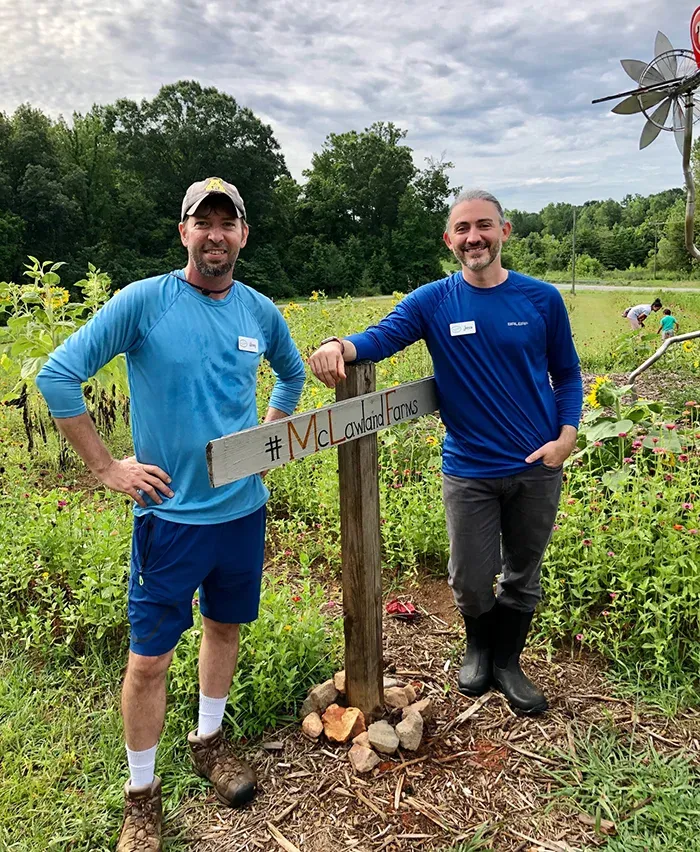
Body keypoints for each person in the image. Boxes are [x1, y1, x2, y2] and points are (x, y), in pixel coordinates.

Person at [36, 177, 305, 852]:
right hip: (170, 518)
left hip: (242, 514)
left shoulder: (258, 312)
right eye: (201, 221)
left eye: (228, 222)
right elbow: (57, 376)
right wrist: (106, 468)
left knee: (223, 629)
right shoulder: (145, 303)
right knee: (149, 662)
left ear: (244, 234)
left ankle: (209, 742)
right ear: (183, 231)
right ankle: (141, 795)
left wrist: (266, 441)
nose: (215, 234)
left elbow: (292, 375)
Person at [309, 189, 582, 716]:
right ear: (449, 239)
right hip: (470, 470)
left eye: (484, 226)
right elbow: (381, 337)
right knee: (470, 576)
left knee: (524, 570)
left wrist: (566, 436)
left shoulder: (541, 299)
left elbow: (567, 373)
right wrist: (338, 345)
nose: (473, 237)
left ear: (504, 231)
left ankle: (507, 662)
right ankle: (478, 647)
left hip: (537, 467)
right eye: (462, 229)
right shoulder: (434, 301)